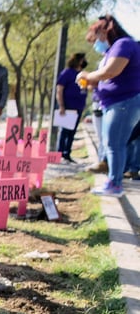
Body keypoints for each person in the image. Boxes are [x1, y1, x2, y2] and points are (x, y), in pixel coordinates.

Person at [77, 14, 140, 198]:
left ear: (105, 31)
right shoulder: (112, 50)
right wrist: (92, 83)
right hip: (114, 103)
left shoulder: (124, 44)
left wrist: (88, 75)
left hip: (124, 102)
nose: (96, 43)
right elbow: (106, 77)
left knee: (115, 144)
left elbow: (111, 72)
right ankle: (113, 182)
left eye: (97, 38)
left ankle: (115, 184)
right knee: (113, 143)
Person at [54, 52, 89, 163]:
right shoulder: (67, 73)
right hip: (67, 107)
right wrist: (61, 106)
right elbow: (59, 89)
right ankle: (60, 153)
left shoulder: (82, 74)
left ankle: (67, 153)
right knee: (65, 131)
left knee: (72, 132)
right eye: (83, 59)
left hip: (78, 107)